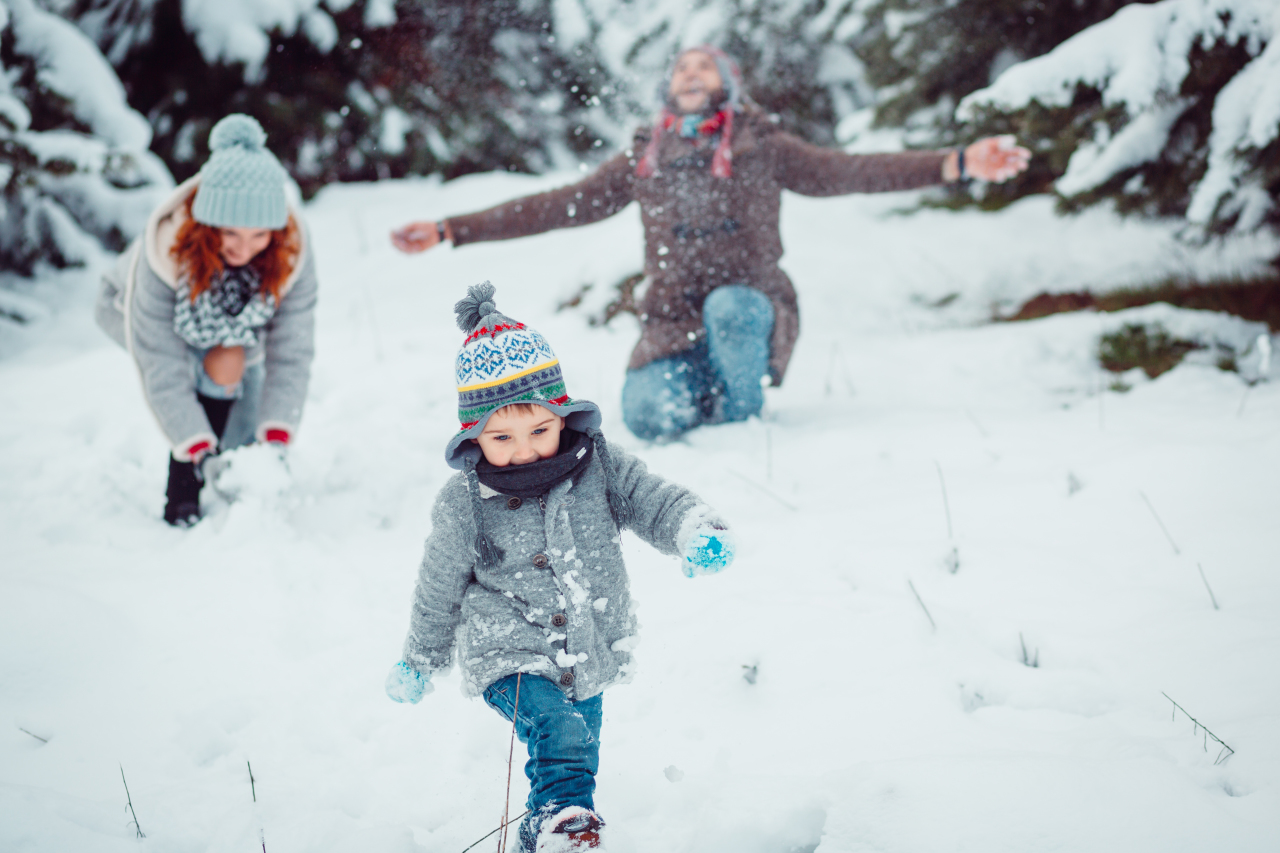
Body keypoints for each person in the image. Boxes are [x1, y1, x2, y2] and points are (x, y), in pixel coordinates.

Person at [391, 46, 1030, 440]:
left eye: (706, 66)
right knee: (645, 418)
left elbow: (851, 172)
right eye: (682, 67)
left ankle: (740, 423)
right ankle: (711, 388)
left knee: (733, 309)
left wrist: (957, 162)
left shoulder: (763, 146)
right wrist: (454, 229)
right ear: (669, 88)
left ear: (727, 83)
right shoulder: (646, 156)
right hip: (672, 320)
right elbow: (558, 206)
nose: (691, 73)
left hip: (749, 306)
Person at [384, 282, 734, 852]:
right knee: (560, 730)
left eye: (538, 430)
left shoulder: (597, 466)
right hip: (505, 647)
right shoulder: (465, 502)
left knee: (577, 757)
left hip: (590, 640)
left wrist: (693, 529)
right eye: (502, 436)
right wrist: (421, 657)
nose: (523, 450)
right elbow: (439, 585)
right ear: (473, 435)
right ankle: (562, 824)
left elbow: (652, 499)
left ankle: (553, 831)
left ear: (562, 416)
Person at [96, 114, 318, 526]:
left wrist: (278, 431)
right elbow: (161, 361)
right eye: (230, 234)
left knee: (244, 444)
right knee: (219, 370)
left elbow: (293, 349)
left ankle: (221, 440)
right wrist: (194, 442)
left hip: (230, 326)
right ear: (207, 224)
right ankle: (182, 490)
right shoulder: (166, 250)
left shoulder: (292, 252)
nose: (244, 249)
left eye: (258, 235)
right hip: (129, 311)